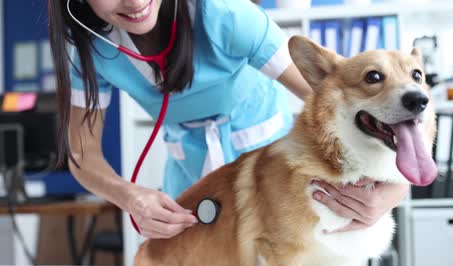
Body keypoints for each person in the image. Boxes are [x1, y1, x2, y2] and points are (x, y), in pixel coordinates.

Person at [48, 0, 409, 239]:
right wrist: (131, 198)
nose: (134, 1)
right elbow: (82, 154)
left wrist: (395, 188)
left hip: (281, 174)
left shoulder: (226, 14)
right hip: (191, 178)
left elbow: (349, 103)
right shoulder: (87, 46)